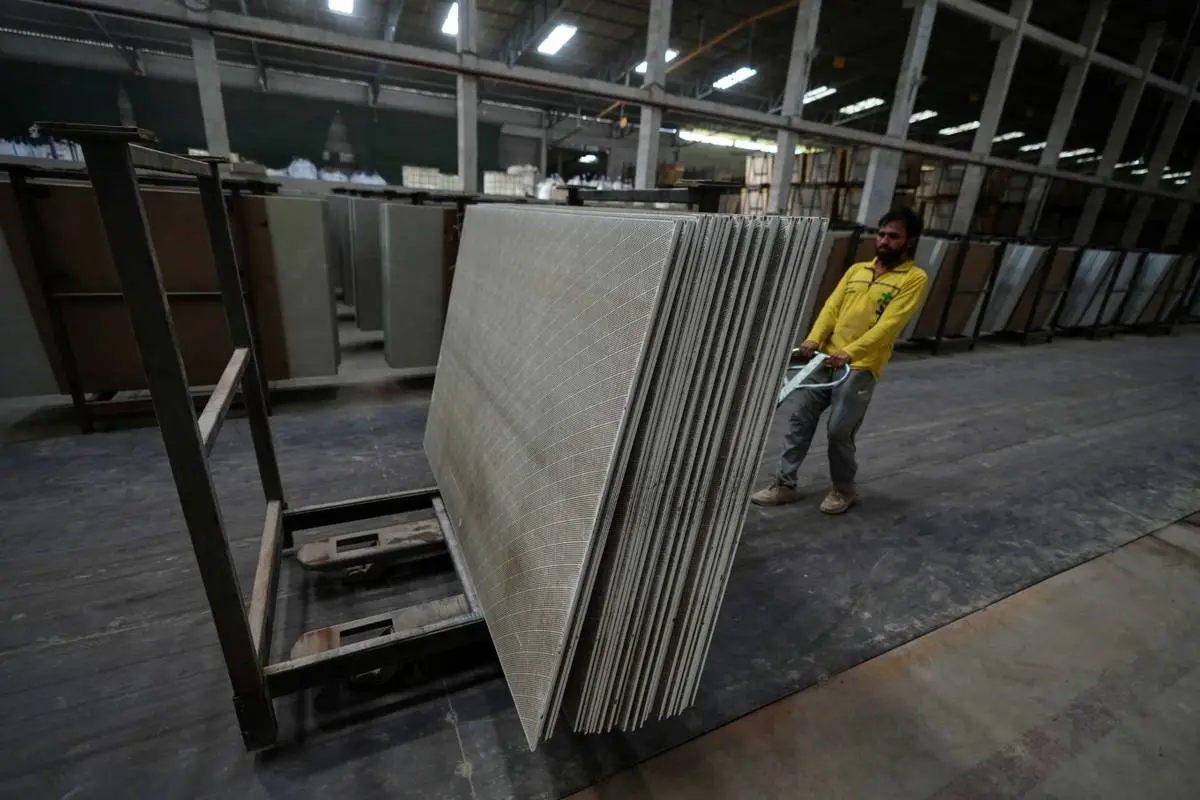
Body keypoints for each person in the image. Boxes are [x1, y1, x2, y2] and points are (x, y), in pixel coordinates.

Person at [751, 208, 930, 514]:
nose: (884, 241)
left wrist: (852, 352)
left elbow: (891, 324)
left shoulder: (914, 278)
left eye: (893, 236)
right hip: (825, 359)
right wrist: (813, 339)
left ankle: (844, 490)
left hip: (859, 366)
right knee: (801, 419)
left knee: (838, 430)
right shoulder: (857, 270)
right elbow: (832, 308)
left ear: (909, 241)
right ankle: (784, 484)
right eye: (881, 234)